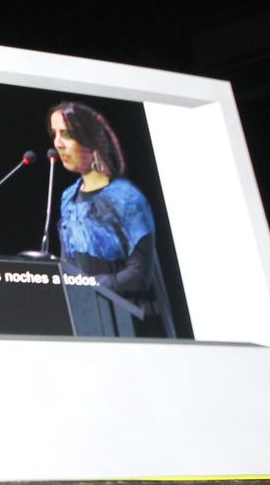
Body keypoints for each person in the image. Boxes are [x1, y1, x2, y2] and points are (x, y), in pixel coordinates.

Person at [47, 100, 175, 337]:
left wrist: (95, 285)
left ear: (90, 140)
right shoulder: (68, 198)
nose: (57, 144)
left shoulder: (126, 197)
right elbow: (69, 265)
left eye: (66, 134)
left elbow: (139, 275)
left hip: (134, 325)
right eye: (54, 134)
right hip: (91, 322)